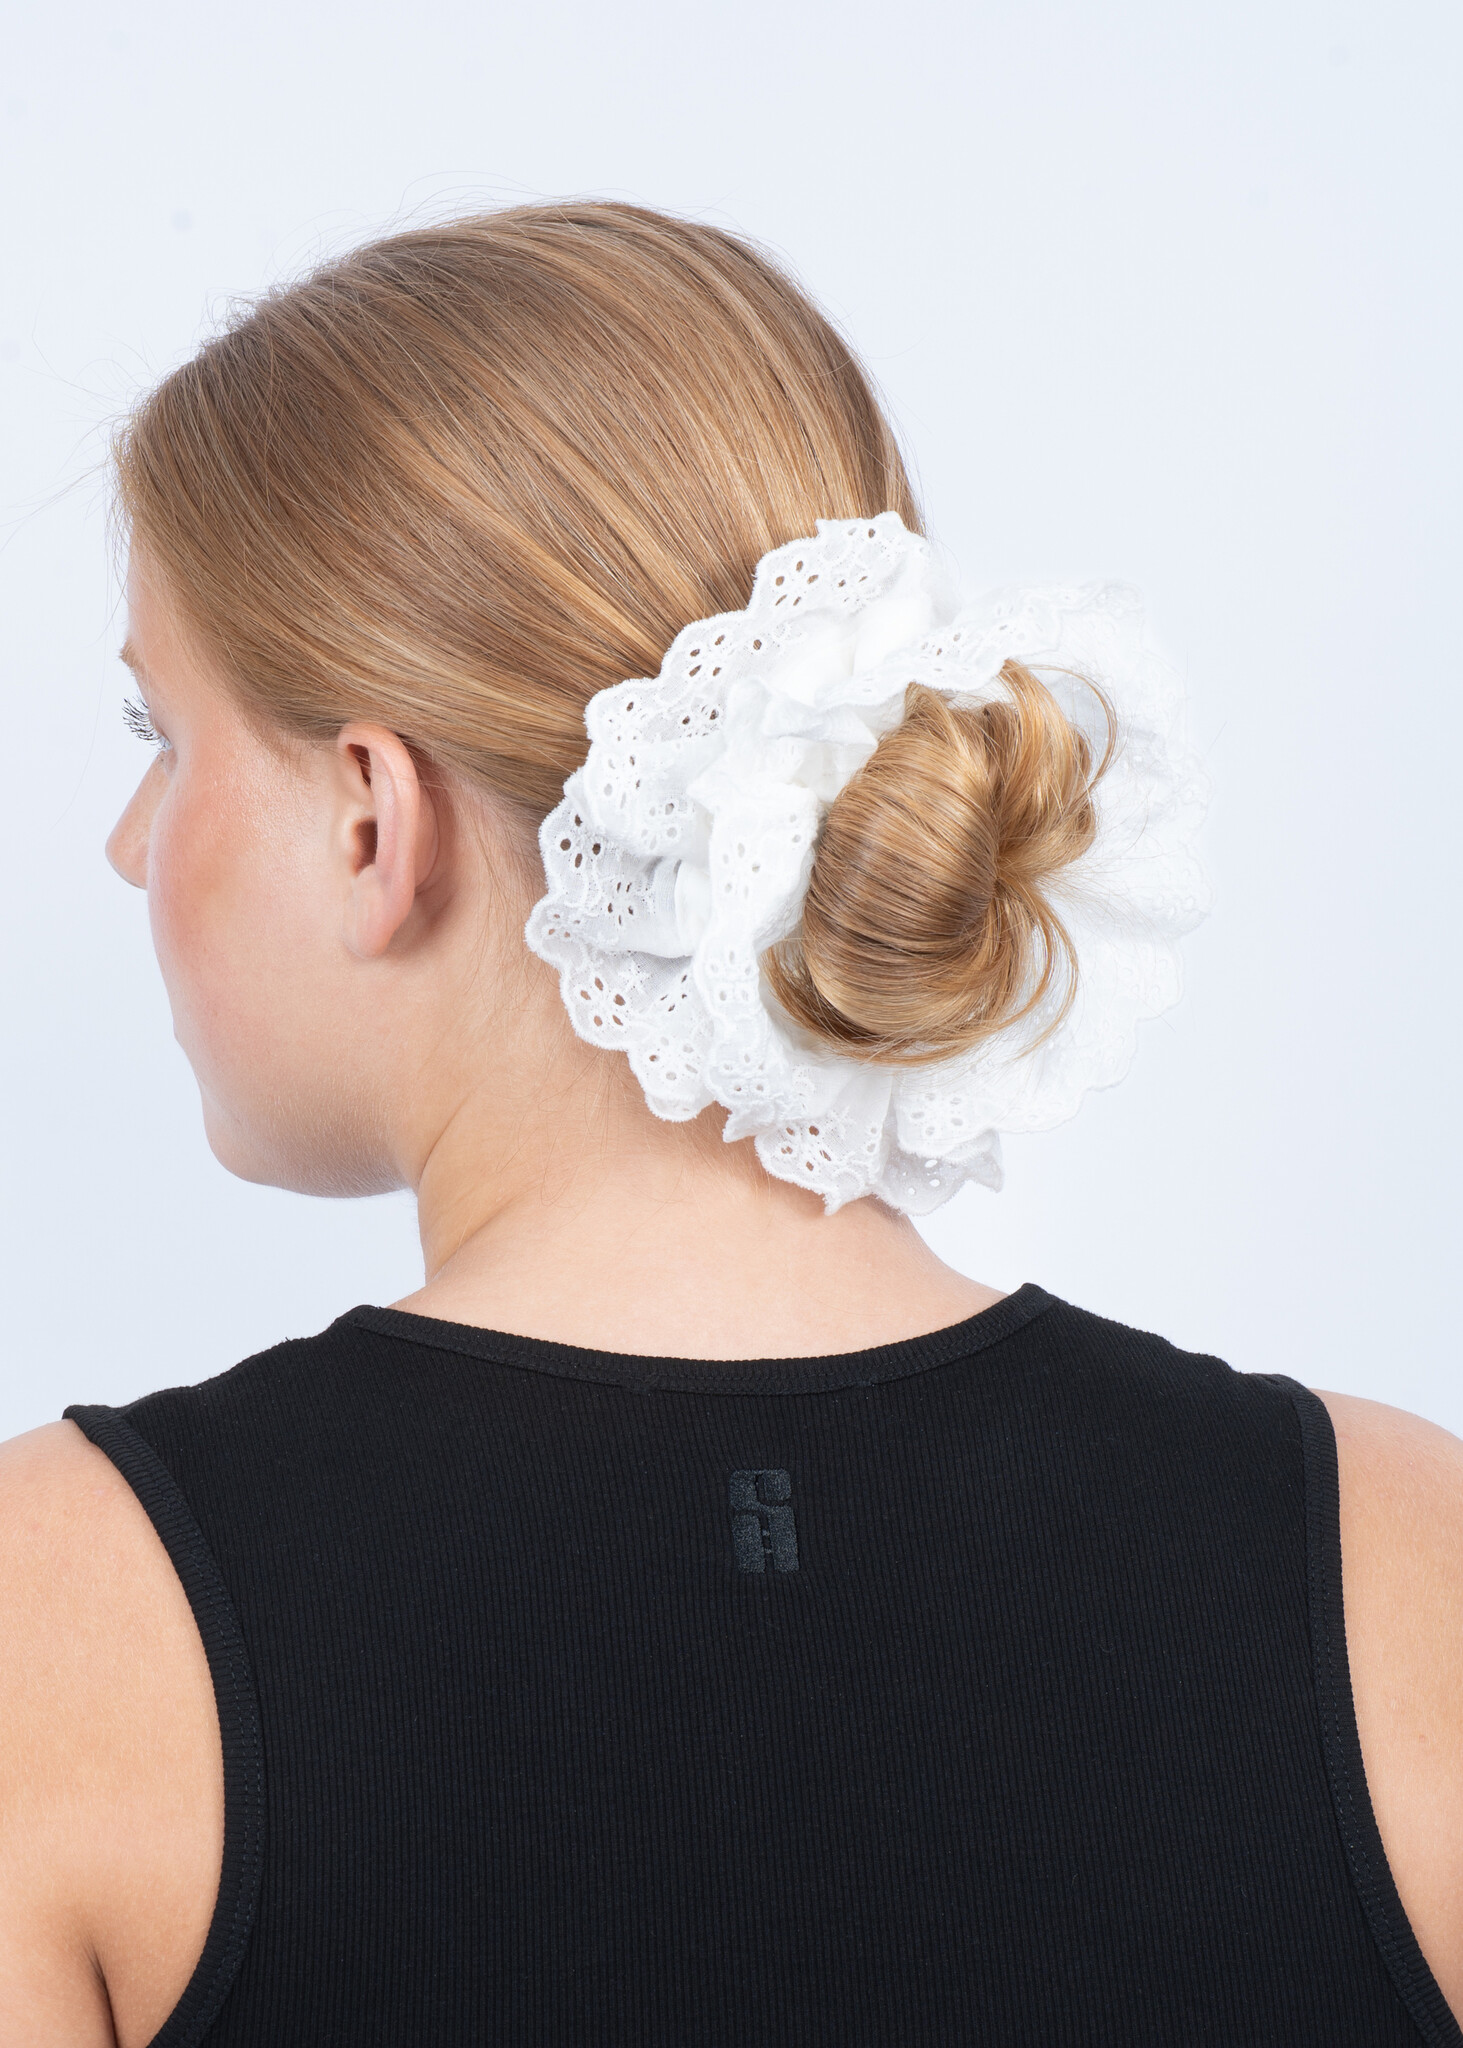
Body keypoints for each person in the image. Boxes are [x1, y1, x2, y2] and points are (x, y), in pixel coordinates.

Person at [0, 202, 1458, 2048]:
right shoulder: (1402, 1565)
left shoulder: (58, 1634)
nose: (131, 846)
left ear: (374, 818)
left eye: (164, 737)